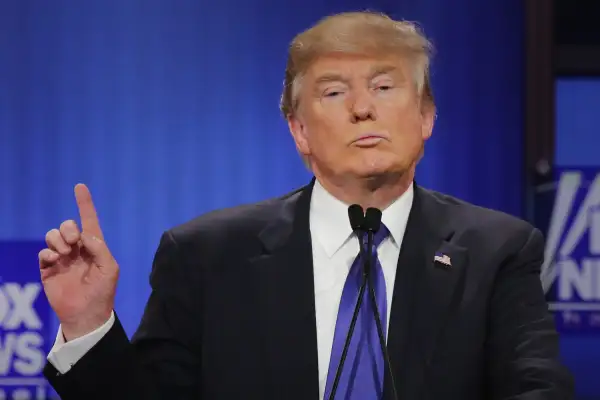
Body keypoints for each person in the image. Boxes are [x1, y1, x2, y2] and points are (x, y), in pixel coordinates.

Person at [39, 11, 574, 400]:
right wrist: (88, 325)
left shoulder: (497, 250)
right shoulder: (207, 255)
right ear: (299, 130)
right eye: (335, 93)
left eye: (385, 86)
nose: (364, 109)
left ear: (427, 116)